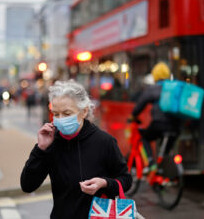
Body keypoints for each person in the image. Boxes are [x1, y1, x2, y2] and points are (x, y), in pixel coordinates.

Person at [20, 80, 132, 219]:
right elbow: (27, 185)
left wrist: (104, 183)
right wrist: (40, 149)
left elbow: (125, 179)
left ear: (84, 111)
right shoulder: (51, 143)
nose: (60, 119)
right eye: (56, 113)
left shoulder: (104, 141)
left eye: (67, 113)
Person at [130, 62, 182, 170]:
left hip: (159, 124)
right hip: (176, 126)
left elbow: (141, 104)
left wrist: (133, 116)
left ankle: (151, 162)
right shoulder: (175, 88)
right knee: (166, 151)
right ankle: (165, 168)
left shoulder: (154, 89)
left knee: (145, 137)